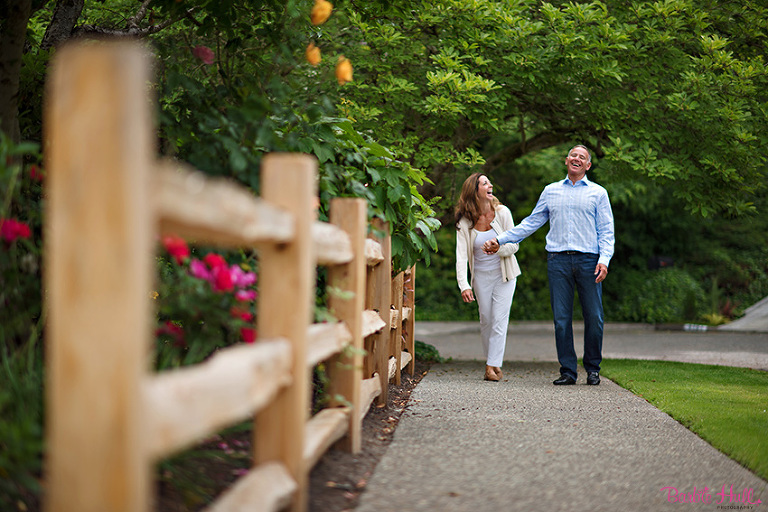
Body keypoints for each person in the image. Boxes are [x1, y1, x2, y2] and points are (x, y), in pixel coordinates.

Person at [482, 145, 615, 386]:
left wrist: (604, 260)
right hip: (558, 261)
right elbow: (531, 223)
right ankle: (568, 371)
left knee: (594, 316)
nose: (577, 159)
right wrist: (500, 240)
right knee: (561, 319)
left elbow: (606, 231)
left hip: (589, 261)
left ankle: (593, 368)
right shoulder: (551, 191)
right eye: (573, 155)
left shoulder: (599, 193)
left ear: (588, 165)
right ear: (566, 161)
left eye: (582, 157)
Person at [455, 173, 521, 382]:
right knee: (487, 320)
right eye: (485, 183)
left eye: (490, 182)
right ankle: (493, 362)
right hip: (480, 277)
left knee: (500, 320)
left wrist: (498, 247)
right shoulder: (465, 220)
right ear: (475, 191)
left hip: (505, 275)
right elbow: (461, 255)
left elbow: (515, 243)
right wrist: (464, 285)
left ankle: (491, 366)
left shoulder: (502, 213)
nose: (490, 185)